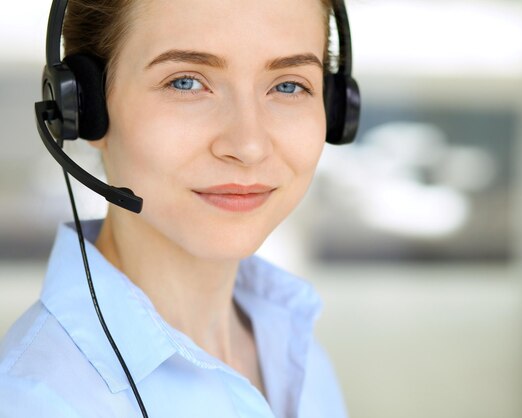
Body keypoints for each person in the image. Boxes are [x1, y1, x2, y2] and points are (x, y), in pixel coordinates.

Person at [0, 0, 359, 416]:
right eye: (186, 82)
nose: (248, 146)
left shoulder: (301, 355)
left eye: (288, 86)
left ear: (334, 109)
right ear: (83, 108)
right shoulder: (37, 400)